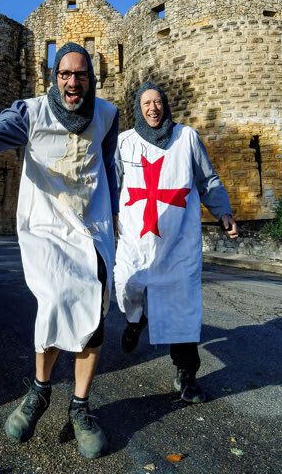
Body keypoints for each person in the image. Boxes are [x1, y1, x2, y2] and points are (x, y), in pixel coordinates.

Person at [0, 42, 119, 459]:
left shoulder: (107, 115)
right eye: (65, 74)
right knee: (55, 298)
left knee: (96, 306)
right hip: (46, 225)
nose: (72, 81)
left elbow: (108, 167)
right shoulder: (29, 113)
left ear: (91, 77)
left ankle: (81, 407)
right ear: (54, 77)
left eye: (80, 74)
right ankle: (39, 391)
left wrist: (115, 216)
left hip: (93, 225)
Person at [114, 82, 239, 403]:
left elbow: (207, 179)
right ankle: (136, 318)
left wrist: (222, 211)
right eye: (146, 104)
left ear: (165, 106)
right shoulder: (124, 143)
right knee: (128, 285)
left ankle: (186, 373)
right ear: (138, 110)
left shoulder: (187, 138)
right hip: (137, 240)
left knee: (180, 304)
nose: (153, 108)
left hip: (179, 240)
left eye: (157, 102)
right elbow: (111, 186)